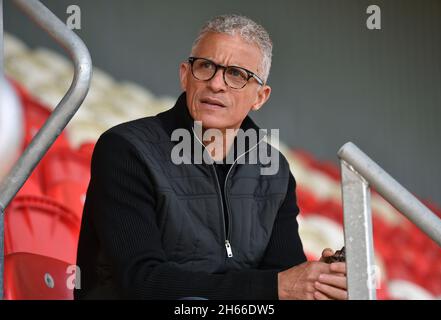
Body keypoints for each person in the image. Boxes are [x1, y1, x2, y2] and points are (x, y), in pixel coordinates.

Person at [75, 14, 347, 300]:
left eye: (237, 75)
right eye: (205, 66)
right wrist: (272, 288)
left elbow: (284, 278)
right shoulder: (126, 149)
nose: (217, 84)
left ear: (260, 97)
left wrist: (317, 281)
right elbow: (142, 281)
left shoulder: (273, 171)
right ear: (185, 75)